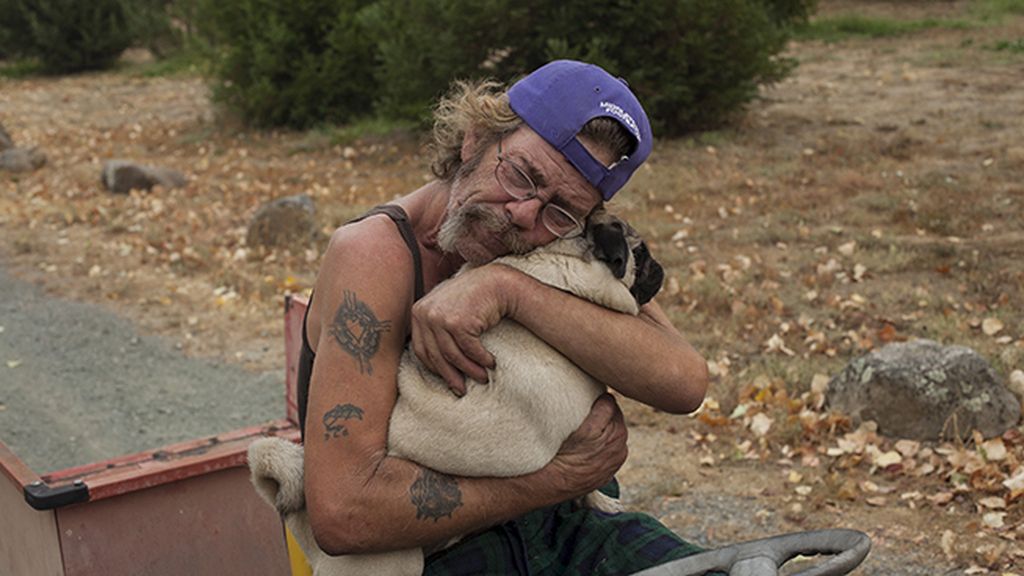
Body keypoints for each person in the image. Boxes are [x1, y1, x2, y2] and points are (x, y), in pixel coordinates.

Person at [296, 60, 711, 575]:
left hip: (571, 532)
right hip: (444, 553)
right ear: (474, 138)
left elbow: (685, 382)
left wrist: (508, 289)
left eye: (561, 209)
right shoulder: (375, 257)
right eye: (520, 175)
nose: (523, 215)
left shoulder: (561, 236)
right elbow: (342, 515)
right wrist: (558, 478)